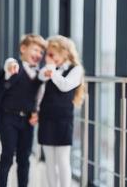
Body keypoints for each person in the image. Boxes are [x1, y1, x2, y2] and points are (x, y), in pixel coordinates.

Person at [0, 34, 47, 187]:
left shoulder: (39, 75)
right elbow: (9, 64)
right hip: (8, 118)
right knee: (7, 156)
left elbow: (39, 98)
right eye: (35, 50)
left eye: (41, 52)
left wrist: (37, 113)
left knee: (24, 158)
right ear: (23, 49)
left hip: (27, 120)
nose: (38, 55)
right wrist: (10, 65)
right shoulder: (15, 67)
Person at [37, 35, 84, 187]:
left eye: (51, 54)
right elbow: (40, 77)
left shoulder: (76, 69)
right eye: (47, 55)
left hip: (63, 118)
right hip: (46, 117)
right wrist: (50, 68)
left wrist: (52, 71)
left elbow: (65, 85)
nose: (48, 58)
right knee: (49, 161)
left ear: (64, 52)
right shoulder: (50, 68)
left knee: (63, 160)